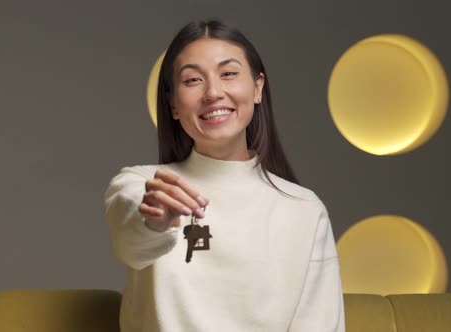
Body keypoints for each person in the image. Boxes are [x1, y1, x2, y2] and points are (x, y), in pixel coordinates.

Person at [104, 19, 345, 332]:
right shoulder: (141, 184)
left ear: (257, 88)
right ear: (173, 104)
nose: (213, 93)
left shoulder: (304, 209)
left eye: (229, 73)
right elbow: (130, 240)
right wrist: (154, 222)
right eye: (192, 80)